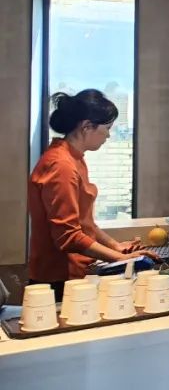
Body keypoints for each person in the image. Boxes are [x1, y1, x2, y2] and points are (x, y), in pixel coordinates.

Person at [27, 90, 154, 298]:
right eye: (107, 128)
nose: (109, 135)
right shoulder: (61, 165)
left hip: (73, 273)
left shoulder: (74, 158)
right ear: (87, 126)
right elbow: (68, 236)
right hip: (58, 277)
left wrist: (116, 247)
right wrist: (120, 259)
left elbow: (85, 224)